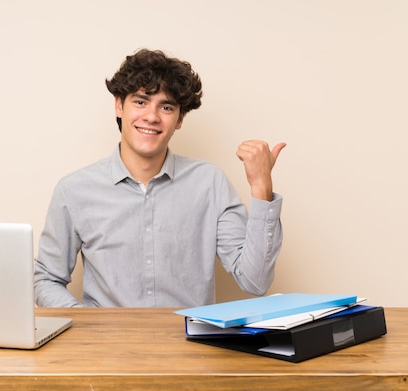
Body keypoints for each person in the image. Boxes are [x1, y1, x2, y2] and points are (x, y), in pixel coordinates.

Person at [34, 49, 286, 308]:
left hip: (188, 344)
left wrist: (260, 186)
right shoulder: (74, 190)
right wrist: (88, 326)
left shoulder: (211, 184)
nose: (152, 117)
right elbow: (46, 280)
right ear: (119, 105)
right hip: (107, 346)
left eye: (166, 107)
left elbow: (255, 281)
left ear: (180, 119)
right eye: (141, 102)